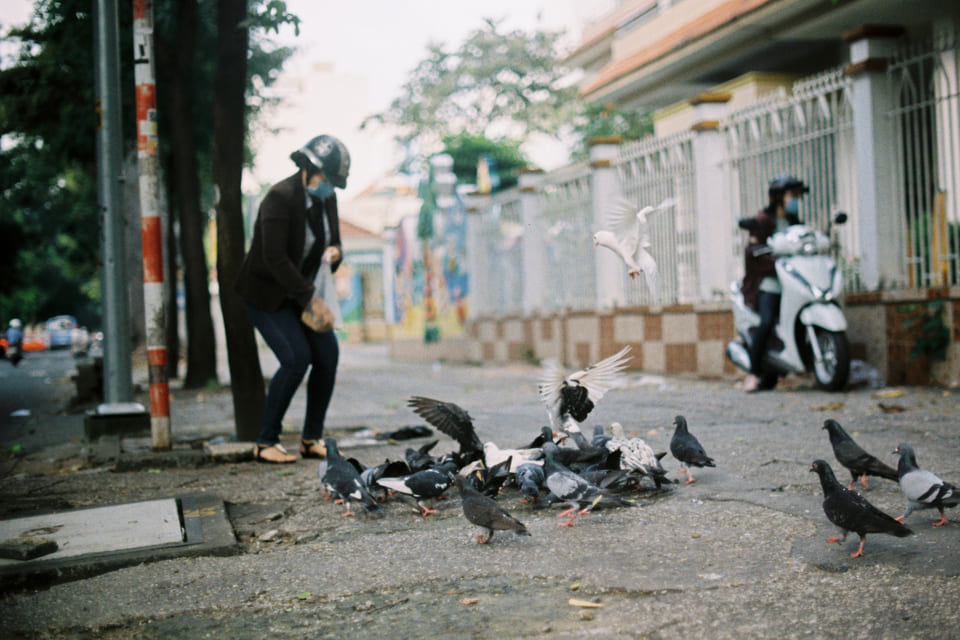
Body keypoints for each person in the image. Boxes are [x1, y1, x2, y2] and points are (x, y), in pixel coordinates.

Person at [235, 135, 350, 463]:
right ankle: (265, 442)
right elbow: (274, 258)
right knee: (296, 357)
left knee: (327, 355)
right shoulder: (279, 198)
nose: (330, 187)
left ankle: (311, 438)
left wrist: (335, 253)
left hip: (300, 292)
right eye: (328, 180)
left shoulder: (327, 200)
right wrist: (311, 300)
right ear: (310, 170)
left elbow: (336, 242)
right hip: (266, 294)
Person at [741, 175, 807, 392]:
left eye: (797, 196)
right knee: (767, 321)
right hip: (769, 282)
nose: (794, 200)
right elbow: (753, 252)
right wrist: (774, 263)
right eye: (791, 196)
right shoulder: (762, 220)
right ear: (778, 197)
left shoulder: (795, 222)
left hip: (794, 279)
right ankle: (752, 372)